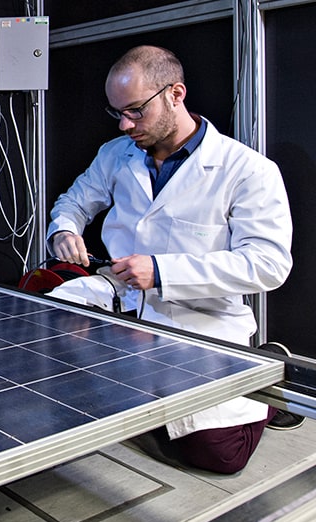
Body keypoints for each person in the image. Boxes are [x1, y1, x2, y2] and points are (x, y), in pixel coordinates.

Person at [45, 45, 298, 474]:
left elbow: (268, 263)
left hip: (198, 317)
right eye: (117, 113)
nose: (125, 124)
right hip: (121, 301)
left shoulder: (248, 170)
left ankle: (268, 371)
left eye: (136, 111)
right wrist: (64, 230)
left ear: (175, 94)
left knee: (218, 455)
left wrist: (162, 271)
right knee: (43, 342)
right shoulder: (116, 154)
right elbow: (74, 202)